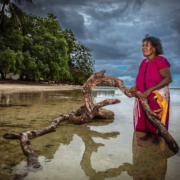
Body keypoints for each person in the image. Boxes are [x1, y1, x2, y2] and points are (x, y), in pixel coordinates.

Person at [129, 35, 172, 136]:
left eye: (147, 45)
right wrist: (135, 86)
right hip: (142, 97)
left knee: (157, 122)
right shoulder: (143, 62)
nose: (143, 48)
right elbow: (138, 77)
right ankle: (146, 142)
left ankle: (158, 144)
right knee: (143, 123)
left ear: (155, 48)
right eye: (143, 45)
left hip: (157, 98)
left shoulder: (161, 60)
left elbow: (168, 78)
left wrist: (150, 90)